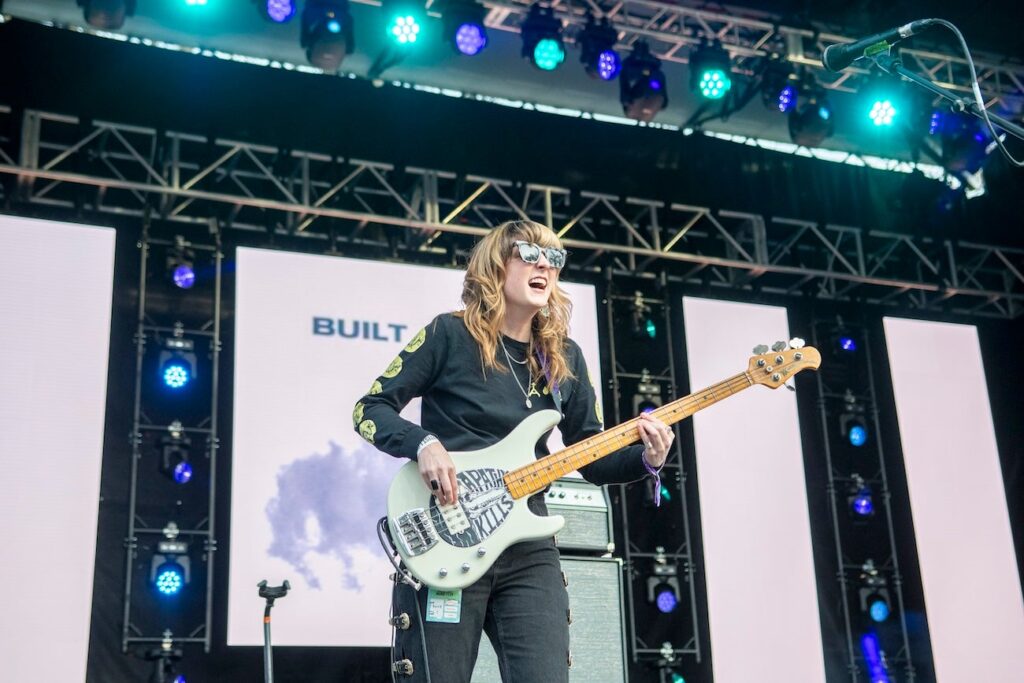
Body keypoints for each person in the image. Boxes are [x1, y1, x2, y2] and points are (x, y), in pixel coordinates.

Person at [354, 219, 674, 682]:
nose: (546, 264)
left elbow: (593, 457)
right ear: (495, 265)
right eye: (530, 253)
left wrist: (649, 458)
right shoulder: (448, 335)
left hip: (528, 551)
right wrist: (423, 443)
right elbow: (370, 408)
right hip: (447, 533)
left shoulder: (565, 357)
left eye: (555, 259)